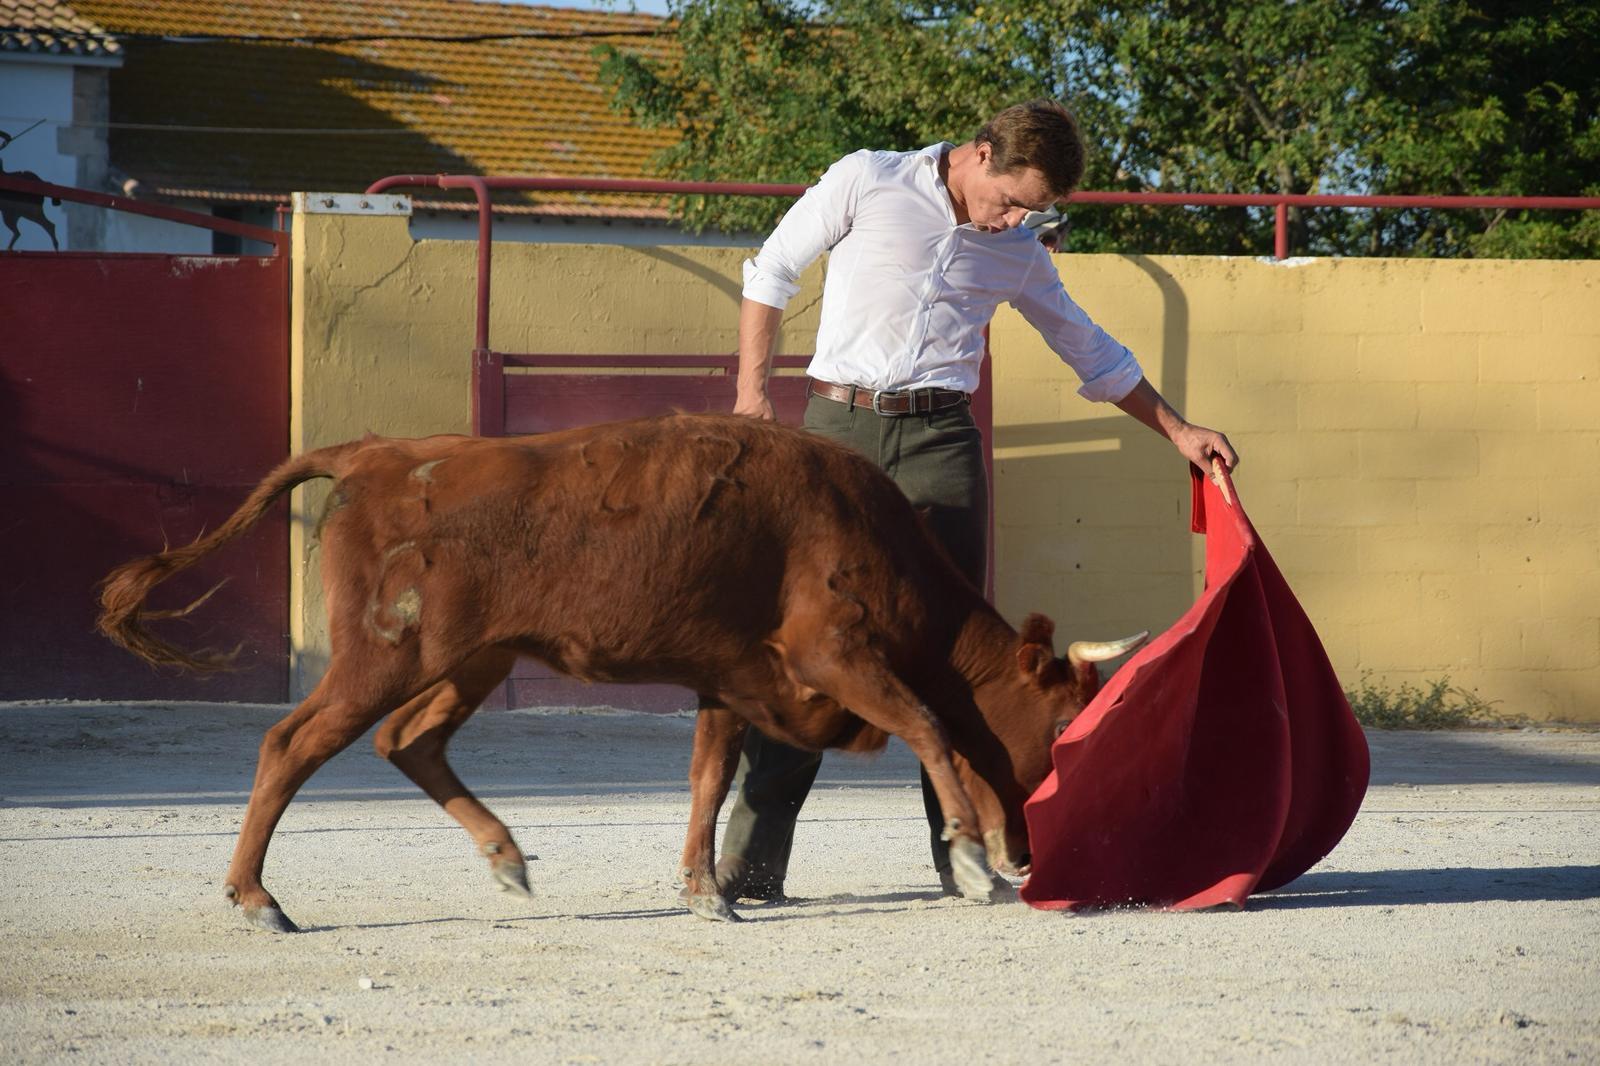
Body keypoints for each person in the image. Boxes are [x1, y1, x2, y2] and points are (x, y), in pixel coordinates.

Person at [720, 99, 1238, 901]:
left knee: (957, 655)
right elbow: (773, 269)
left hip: (941, 444)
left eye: (1033, 211)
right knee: (808, 645)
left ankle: (965, 858)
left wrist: (1177, 430)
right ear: (982, 153)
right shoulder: (868, 180)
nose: (1016, 221)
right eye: (1012, 201)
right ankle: (751, 864)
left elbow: (1089, 349)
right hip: (838, 434)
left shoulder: (1018, 251)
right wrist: (752, 395)